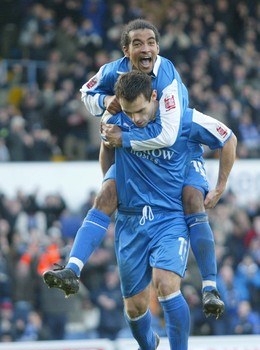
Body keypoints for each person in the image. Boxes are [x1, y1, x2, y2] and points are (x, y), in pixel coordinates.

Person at [45, 70, 237, 350]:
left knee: (166, 285)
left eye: (140, 111)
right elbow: (106, 149)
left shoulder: (183, 120)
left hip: (169, 216)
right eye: (128, 112)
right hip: (132, 220)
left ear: (154, 97)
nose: (135, 120)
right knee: (134, 309)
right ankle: (147, 348)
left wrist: (219, 186)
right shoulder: (116, 118)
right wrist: (110, 180)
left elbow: (227, 136)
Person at [43, 19, 233, 318]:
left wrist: (220, 185)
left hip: (180, 147)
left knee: (193, 199)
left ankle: (210, 285)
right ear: (126, 50)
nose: (146, 49)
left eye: (151, 43)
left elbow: (169, 136)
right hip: (137, 144)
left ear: (158, 46)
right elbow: (86, 95)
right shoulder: (111, 72)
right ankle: (72, 269)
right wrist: (108, 102)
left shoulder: (167, 77)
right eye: (138, 43)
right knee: (106, 194)